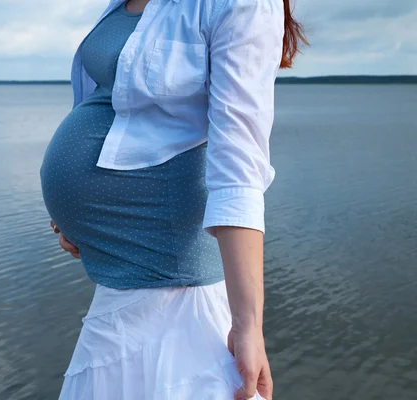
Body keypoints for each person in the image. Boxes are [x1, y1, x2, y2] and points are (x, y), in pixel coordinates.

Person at [39, 0, 307, 398]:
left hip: (173, 287)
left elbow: (239, 167)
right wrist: (80, 216)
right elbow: (115, 104)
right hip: (118, 273)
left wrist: (248, 326)